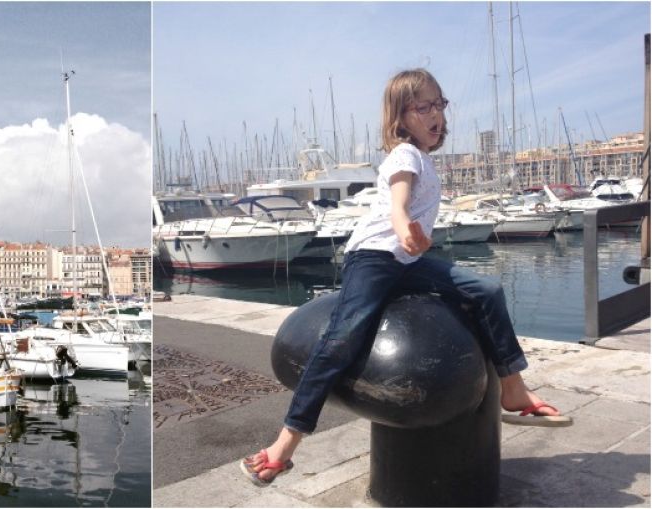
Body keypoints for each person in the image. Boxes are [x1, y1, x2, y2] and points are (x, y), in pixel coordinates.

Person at [240, 68, 572, 487]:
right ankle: (284, 445)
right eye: (424, 106)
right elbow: (398, 203)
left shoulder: (426, 159)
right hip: (375, 258)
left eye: (439, 104)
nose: (436, 114)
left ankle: (514, 388)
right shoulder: (405, 155)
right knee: (339, 342)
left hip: (408, 263)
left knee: (487, 290)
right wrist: (403, 228)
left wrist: (413, 241)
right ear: (401, 117)